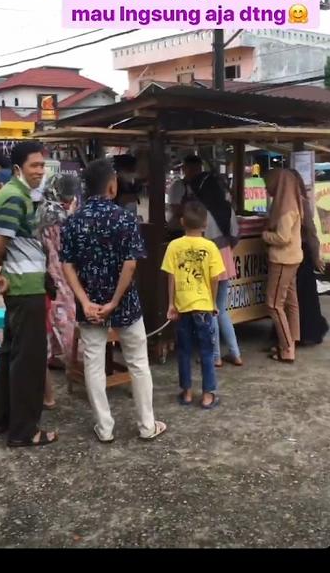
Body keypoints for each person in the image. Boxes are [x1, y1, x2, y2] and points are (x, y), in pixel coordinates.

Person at [61, 158, 166, 443]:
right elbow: (130, 265)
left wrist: (84, 301)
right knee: (138, 363)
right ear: (112, 185)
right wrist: (115, 301)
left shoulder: (73, 221)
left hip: (90, 306)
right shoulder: (125, 218)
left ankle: (105, 428)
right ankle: (147, 425)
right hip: (126, 305)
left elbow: (67, 265)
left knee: (93, 364)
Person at [0, 140, 58, 447]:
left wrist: (1, 275)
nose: (39, 171)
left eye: (42, 165)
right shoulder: (15, 198)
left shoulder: (14, 195)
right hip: (26, 288)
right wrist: (1, 269)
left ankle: (2, 420)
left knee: (10, 355)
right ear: (18, 168)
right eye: (34, 166)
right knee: (28, 361)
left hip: (19, 287)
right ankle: (25, 431)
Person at [161, 201, 225, 408]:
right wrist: (213, 302)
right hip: (204, 307)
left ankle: (187, 392)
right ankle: (207, 395)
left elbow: (171, 277)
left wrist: (171, 303)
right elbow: (216, 278)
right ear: (205, 224)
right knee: (207, 352)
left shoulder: (174, 246)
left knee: (184, 352)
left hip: (182, 307)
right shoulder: (210, 247)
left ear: (181, 222)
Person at [191, 171, 242, 367]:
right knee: (221, 309)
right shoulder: (227, 208)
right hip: (226, 260)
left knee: (211, 309)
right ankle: (235, 353)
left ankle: (215, 355)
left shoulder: (201, 210)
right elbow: (235, 235)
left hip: (208, 262)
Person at [35, 173, 78, 408]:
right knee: (66, 316)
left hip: (42, 271)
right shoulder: (62, 215)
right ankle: (74, 363)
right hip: (59, 272)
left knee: (49, 317)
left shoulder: (43, 207)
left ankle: (53, 356)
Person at [262, 168, 303, 364]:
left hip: (282, 259)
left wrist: (265, 235)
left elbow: (282, 237)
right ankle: (291, 341)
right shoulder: (292, 201)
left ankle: (287, 349)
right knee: (290, 302)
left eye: (268, 184)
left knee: (273, 304)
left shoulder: (285, 208)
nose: (267, 188)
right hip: (293, 258)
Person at [290, 170, 328, 345]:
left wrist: (316, 256)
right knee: (303, 296)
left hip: (302, 252)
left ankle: (306, 333)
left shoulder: (300, 203)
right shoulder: (294, 202)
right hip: (300, 252)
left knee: (302, 296)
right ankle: (306, 332)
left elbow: (311, 232)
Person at [167, 153, 203, 230]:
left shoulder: (202, 186)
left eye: (198, 169)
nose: (195, 172)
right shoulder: (177, 186)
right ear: (184, 169)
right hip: (178, 229)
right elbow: (175, 209)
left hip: (196, 228)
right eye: (192, 169)